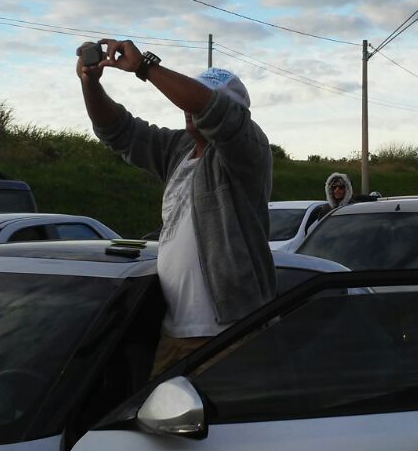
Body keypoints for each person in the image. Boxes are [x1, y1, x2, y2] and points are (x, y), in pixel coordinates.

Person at [77, 38, 276, 374]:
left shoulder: (248, 150)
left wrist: (145, 67)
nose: (188, 107)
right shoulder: (178, 150)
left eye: (200, 99)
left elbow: (212, 110)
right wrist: (90, 83)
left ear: (236, 115)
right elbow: (119, 131)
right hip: (174, 333)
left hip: (229, 333)